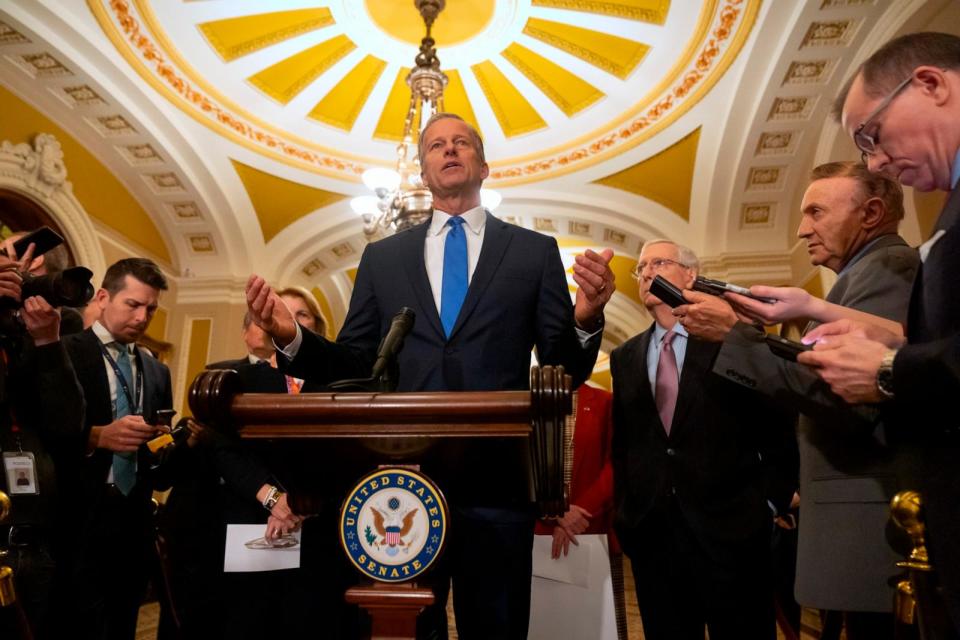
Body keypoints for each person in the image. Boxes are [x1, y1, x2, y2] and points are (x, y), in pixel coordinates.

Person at [247, 112, 615, 638]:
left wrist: (586, 317)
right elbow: (354, 365)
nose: (449, 151)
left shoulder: (534, 253)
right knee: (409, 628)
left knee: (498, 624)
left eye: (461, 143)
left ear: (483, 166)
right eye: (436, 145)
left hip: (499, 479)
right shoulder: (382, 257)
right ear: (421, 172)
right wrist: (292, 338)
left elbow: (564, 368)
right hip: (401, 480)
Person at [676, 161, 919, 639]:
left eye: (816, 212)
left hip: (872, 517)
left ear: (870, 213)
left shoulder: (889, 267)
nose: (802, 228)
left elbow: (848, 393)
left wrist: (733, 336)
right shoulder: (859, 275)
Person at [795, 32, 960, 632]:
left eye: (871, 134)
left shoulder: (890, 260)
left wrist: (888, 369)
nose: (875, 160)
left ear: (930, 85)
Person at [610, 239, 797, 640]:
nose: (646, 273)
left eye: (659, 262)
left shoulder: (730, 336)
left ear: (690, 275)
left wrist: (771, 498)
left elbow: (775, 418)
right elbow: (624, 445)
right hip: (654, 538)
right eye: (640, 267)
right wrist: (627, 514)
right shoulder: (623, 356)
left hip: (733, 533)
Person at [61, 257, 173, 639]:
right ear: (105, 297)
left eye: (151, 309)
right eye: (134, 305)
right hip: (77, 516)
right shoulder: (65, 352)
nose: (143, 317)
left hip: (134, 519)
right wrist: (95, 437)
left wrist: (169, 443)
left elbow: (160, 450)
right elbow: (42, 430)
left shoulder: (157, 370)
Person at [0, 247, 84, 639]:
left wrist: (47, 343)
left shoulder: (36, 332)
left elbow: (68, 424)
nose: (15, 273)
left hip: (30, 542)